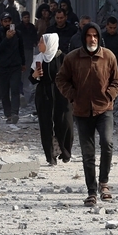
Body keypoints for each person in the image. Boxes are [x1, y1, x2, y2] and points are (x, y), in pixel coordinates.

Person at [55, 22, 118, 206]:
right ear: (84, 37)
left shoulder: (108, 56)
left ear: (99, 38)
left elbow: (116, 80)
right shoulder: (72, 58)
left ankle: (104, 183)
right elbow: (61, 79)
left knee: (107, 143)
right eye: (88, 36)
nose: (92, 39)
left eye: (95, 36)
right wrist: (73, 96)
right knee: (88, 152)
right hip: (82, 111)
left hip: (104, 109)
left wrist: (110, 95)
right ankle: (91, 191)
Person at [31, 32, 73, 166]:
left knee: (65, 123)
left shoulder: (64, 59)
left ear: (50, 44)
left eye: (41, 42)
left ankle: (65, 151)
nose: (39, 44)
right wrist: (35, 75)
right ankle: (50, 156)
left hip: (62, 94)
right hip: (44, 95)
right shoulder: (39, 58)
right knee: (46, 125)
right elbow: (31, 79)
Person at [0, 13, 25, 124]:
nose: (7, 23)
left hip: (15, 66)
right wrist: (6, 38)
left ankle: (15, 113)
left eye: (9, 21)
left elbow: (21, 49)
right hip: (2, 67)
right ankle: (8, 114)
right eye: (5, 21)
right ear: (1, 22)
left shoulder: (18, 34)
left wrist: (23, 63)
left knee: (15, 90)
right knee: (4, 92)